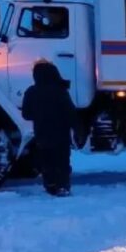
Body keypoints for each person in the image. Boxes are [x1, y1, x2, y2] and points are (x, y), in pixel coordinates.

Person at [22, 61, 77, 196]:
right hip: (61, 134)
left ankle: (50, 185)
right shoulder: (60, 90)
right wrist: (77, 128)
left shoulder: (31, 91)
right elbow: (70, 112)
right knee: (62, 161)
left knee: (47, 161)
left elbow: (26, 114)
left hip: (42, 133)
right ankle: (63, 186)